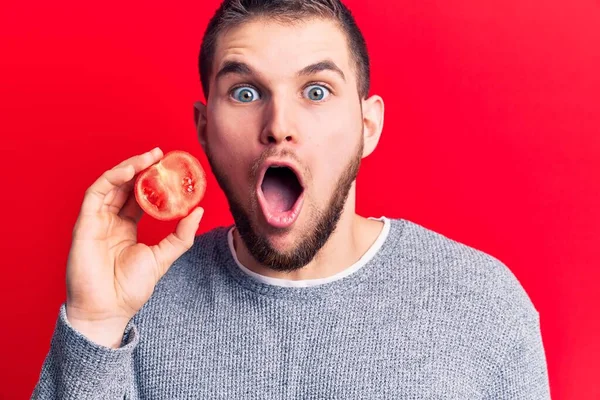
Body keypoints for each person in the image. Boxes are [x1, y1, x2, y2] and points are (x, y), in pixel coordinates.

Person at [32, 0, 551, 398]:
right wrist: (95, 324)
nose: (279, 126)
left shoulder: (483, 305)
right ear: (205, 129)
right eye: (245, 92)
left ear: (367, 126)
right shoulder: (136, 306)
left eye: (317, 91)